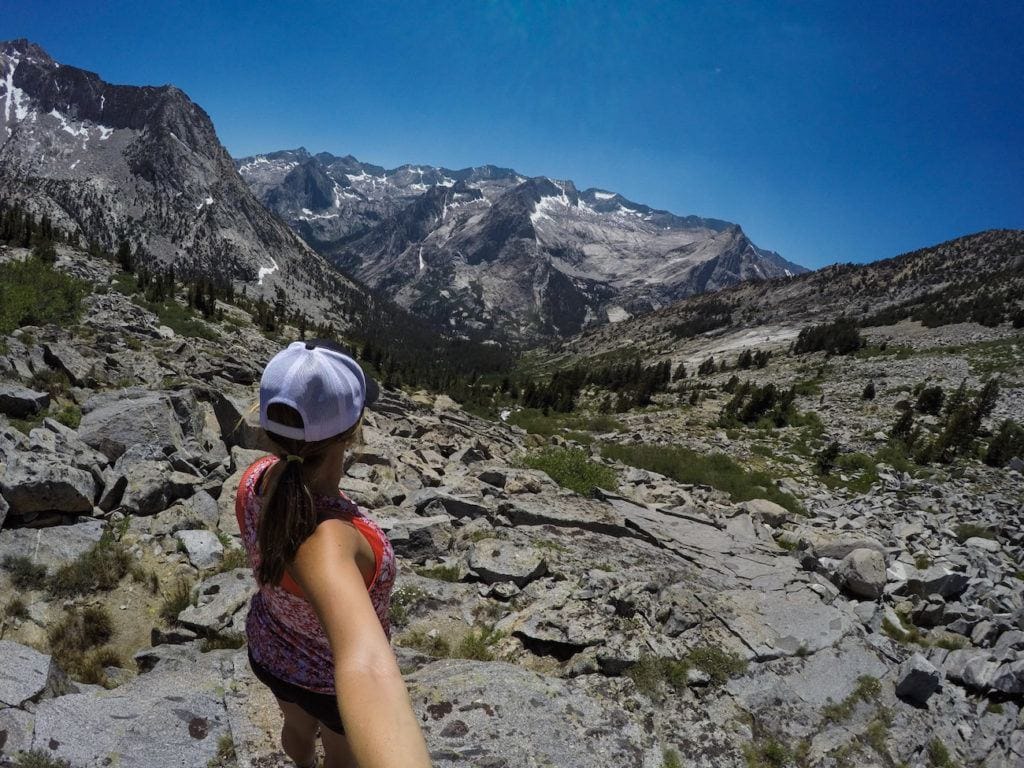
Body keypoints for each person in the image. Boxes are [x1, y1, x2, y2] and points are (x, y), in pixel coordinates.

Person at [235, 339, 432, 768]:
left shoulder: (253, 481)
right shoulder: (332, 540)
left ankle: (301, 762)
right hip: (328, 687)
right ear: (352, 430)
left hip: (270, 650)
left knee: (295, 727)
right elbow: (365, 666)